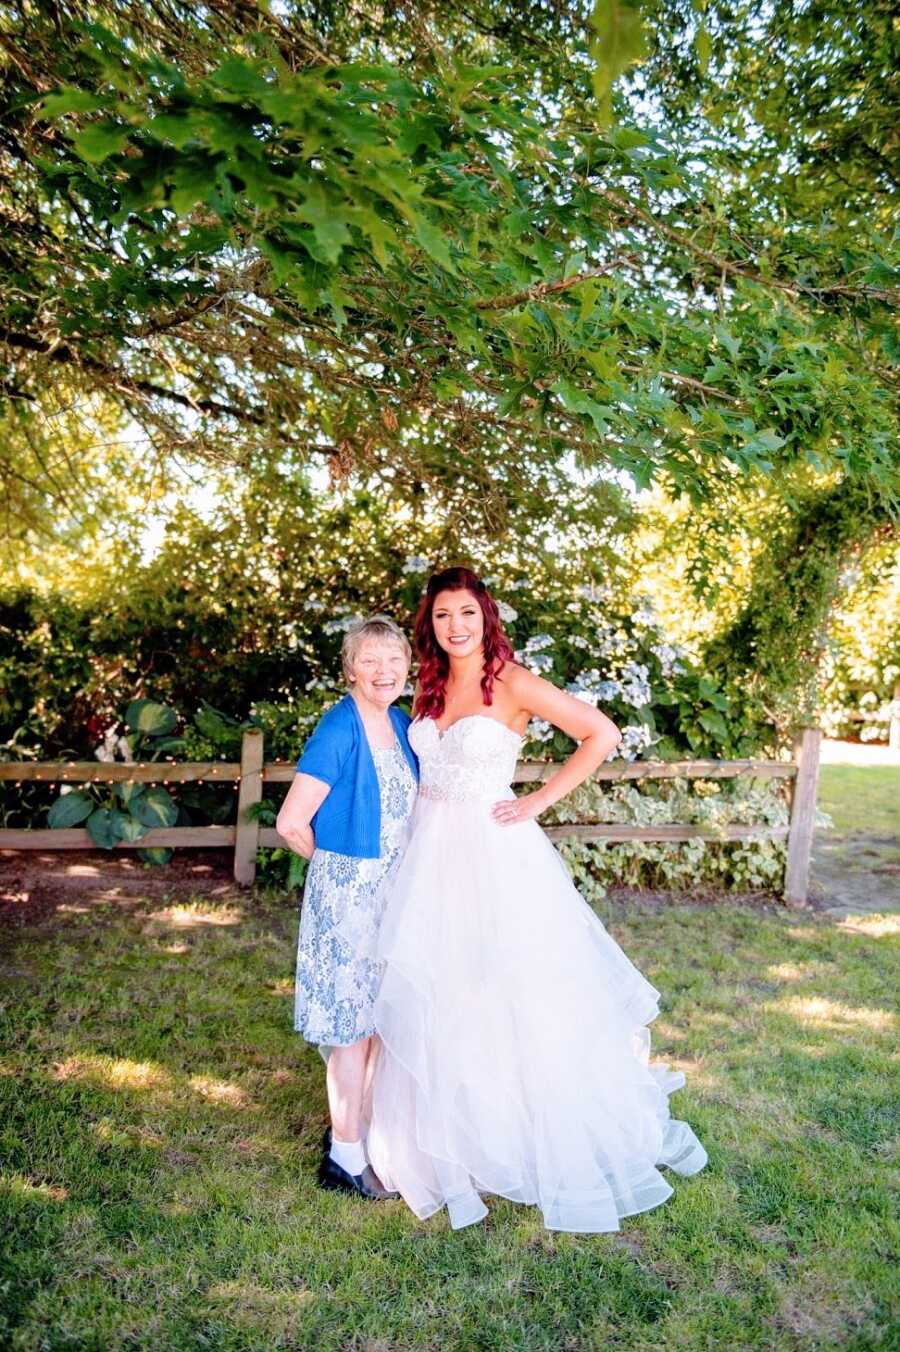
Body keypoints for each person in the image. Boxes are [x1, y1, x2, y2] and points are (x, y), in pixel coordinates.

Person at [366, 567, 707, 1232]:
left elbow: (600, 733)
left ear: (485, 617)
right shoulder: (430, 686)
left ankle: (524, 1127)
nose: (455, 627)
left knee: (508, 987)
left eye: (466, 613)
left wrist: (537, 800)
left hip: (494, 853)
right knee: (442, 987)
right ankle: (447, 1133)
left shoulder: (512, 681)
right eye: (442, 617)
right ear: (429, 625)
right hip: (426, 852)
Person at [277, 616, 418, 1200]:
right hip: (350, 895)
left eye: (393, 660)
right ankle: (343, 1156)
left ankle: (362, 1137)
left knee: (380, 1018)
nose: (383, 672)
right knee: (350, 1027)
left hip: (396, 891)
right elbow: (291, 822)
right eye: (370, 660)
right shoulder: (339, 727)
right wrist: (340, 869)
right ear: (350, 667)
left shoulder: (402, 722)